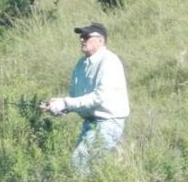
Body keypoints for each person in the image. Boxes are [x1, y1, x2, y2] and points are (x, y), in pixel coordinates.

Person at [40, 23, 130, 174]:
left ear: (101, 41)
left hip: (109, 122)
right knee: (88, 166)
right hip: (90, 123)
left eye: (87, 37)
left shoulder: (109, 62)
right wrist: (59, 107)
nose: (82, 40)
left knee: (80, 161)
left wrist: (65, 103)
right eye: (81, 37)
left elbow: (99, 97)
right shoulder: (81, 64)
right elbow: (77, 97)